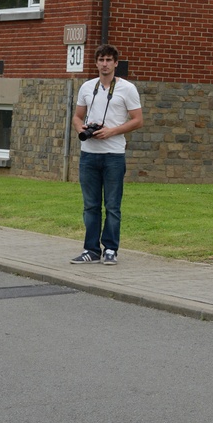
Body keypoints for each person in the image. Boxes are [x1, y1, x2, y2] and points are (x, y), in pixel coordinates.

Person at [70, 45, 143, 264]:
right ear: (96, 63)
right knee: (90, 205)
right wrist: (81, 129)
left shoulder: (127, 88)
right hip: (89, 155)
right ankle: (91, 250)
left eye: (109, 60)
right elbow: (76, 117)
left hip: (113, 155)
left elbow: (138, 120)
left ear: (115, 63)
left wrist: (112, 131)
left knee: (112, 205)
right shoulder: (86, 87)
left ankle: (110, 249)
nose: (104, 64)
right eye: (101, 59)